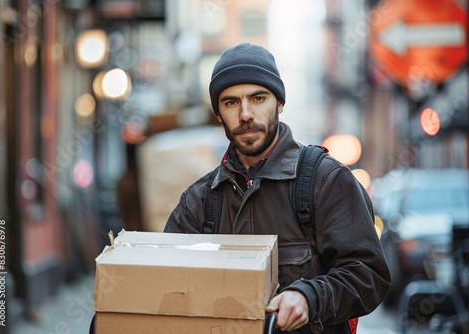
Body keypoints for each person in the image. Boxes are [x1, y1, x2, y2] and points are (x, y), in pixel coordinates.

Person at [164, 42, 391, 334]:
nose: (245, 114)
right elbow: (167, 285)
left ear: (280, 103)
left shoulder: (326, 180)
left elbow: (369, 275)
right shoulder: (198, 200)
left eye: (258, 98)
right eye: (231, 102)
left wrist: (309, 297)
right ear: (219, 113)